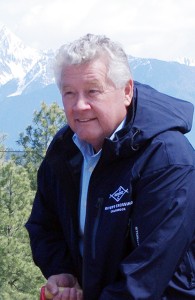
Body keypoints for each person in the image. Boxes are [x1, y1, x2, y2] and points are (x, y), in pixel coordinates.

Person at [25, 33, 195, 300]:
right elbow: (44, 225)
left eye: (93, 91)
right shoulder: (65, 149)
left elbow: (147, 275)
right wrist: (61, 271)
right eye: (69, 93)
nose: (79, 105)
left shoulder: (167, 159)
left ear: (126, 91)